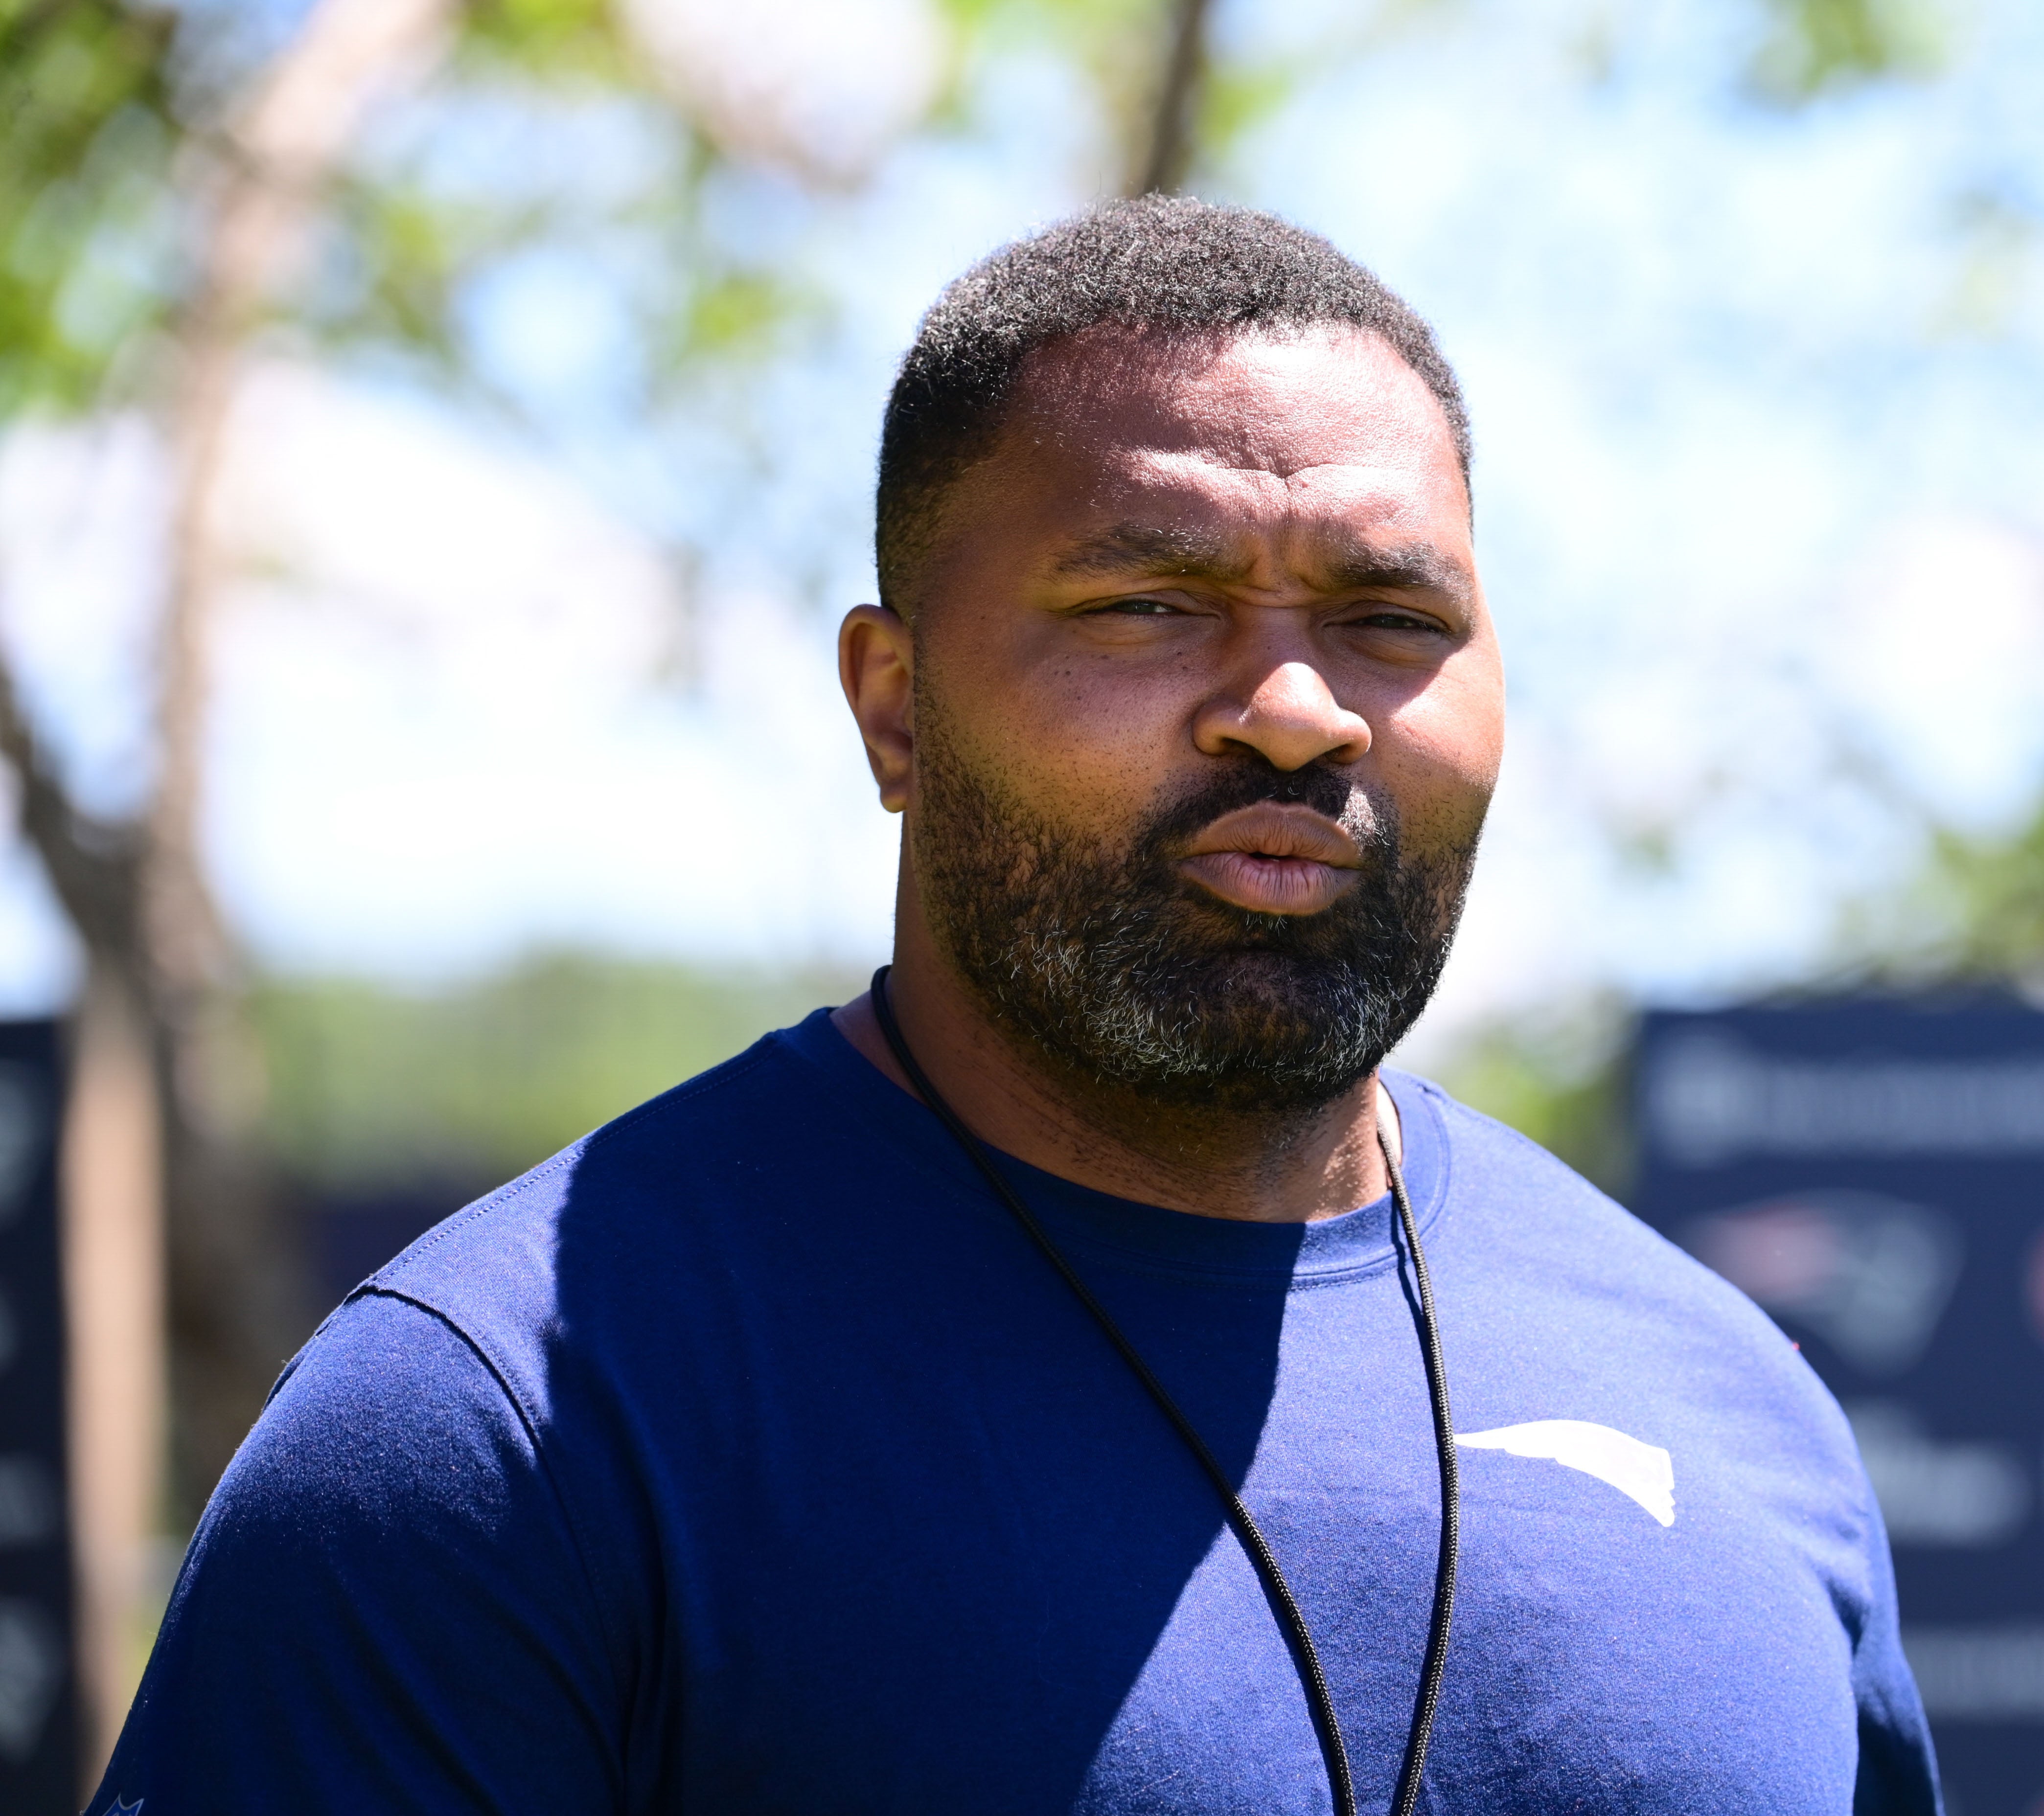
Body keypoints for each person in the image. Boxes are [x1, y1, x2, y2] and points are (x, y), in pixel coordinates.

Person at [90, 197, 1942, 1816]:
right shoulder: (504, 1433)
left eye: (1392, 618)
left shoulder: (1727, 1406)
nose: (1296, 709)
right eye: (1149, 602)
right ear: (895, 709)